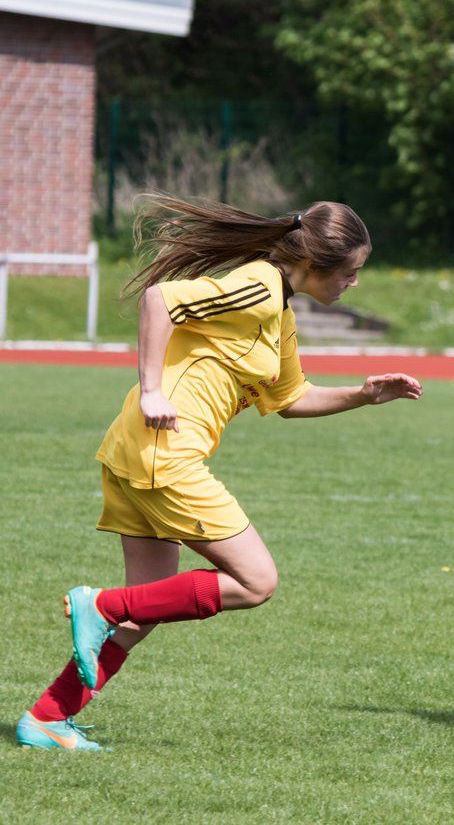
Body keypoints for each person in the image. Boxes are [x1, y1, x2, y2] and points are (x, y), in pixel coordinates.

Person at [16, 195, 422, 750]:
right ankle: (97, 604)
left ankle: (46, 718)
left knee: (145, 608)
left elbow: (290, 396)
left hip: (140, 453)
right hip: (165, 455)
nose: (353, 284)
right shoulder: (256, 286)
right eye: (350, 273)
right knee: (256, 581)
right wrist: (154, 390)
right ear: (316, 263)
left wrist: (363, 394)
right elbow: (160, 300)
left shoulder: (277, 309)